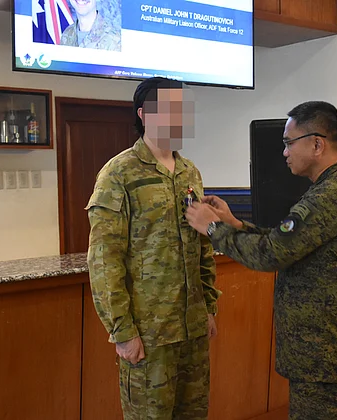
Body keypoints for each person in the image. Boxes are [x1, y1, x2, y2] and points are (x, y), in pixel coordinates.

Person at [186, 101, 337, 419]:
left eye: (289, 142)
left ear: (317, 144)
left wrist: (212, 228)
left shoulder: (332, 196)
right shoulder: (334, 189)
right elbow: (285, 242)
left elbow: (271, 254)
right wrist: (234, 224)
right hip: (328, 351)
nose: (284, 152)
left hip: (328, 356)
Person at [86, 76, 220, 420]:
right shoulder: (118, 173)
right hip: (149, 334)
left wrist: (209, 306)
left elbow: (201, 246)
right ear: (145, 114)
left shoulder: (191, 172)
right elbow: (104, 260)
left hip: (191, 330)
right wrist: (122, 331)